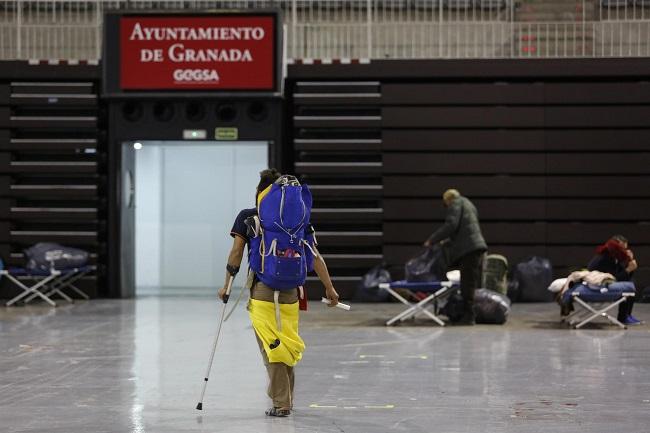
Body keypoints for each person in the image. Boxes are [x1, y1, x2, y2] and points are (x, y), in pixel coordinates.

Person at [218, 168, 340, 417]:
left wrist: (227, 284)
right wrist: (330, 287)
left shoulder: (249, 217)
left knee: (271, 347)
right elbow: (315, 256)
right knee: (286, 344)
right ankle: (286, 398)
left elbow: (236, 252)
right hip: (291, 292)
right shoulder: (299, 221)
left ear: (260, 192)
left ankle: (281, 403)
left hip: (262, 290)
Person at [424, 189, 487, 324]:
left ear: (448, 200)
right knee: (471, 281)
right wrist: (446, 242)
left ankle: (469, 317)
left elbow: (451, 225)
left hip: (469, 249)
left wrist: (432, 240)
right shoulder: (468, 204)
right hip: (476, 246)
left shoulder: (455, 204)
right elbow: (464, 229)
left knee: (467, 283)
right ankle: (468, 312)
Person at [587, 235, 641, 325]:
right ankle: (623, 317)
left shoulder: (614, 257)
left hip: (606, 284)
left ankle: (627, 315)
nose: (624, 252)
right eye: (623, 249)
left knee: (630, 282)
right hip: (598, 287)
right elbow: (615, 278)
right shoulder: (605, 257)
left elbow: (623, 276)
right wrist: (628, 269)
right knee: (628, 286)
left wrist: (629, 265)